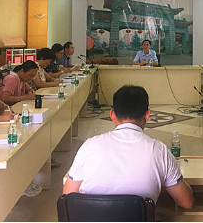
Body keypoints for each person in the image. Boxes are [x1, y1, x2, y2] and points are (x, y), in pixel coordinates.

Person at [63, 85, 194, 209]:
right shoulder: (160, 151)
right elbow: (186, 202)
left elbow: (68, 195)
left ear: (112, 115)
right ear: (147, 115)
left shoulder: (90, 145)